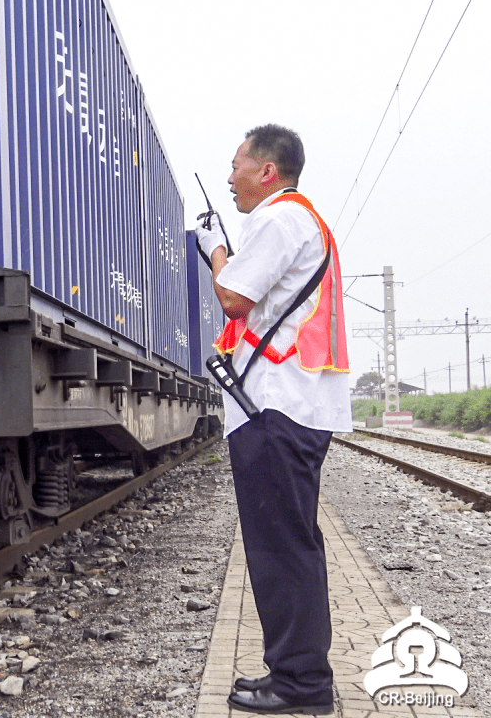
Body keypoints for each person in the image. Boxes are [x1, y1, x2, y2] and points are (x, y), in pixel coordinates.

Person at [195, 124, 351, 715]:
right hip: (290, 407)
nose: (230, 178)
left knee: (281, 549)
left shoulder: (279, 217)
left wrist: (214, 245)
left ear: (267, 171)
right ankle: (293, 673)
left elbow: (233, 296)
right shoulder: (297, 221)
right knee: (289, 544)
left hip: (277, 409)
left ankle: (303, 687)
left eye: (237, 165)